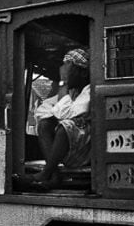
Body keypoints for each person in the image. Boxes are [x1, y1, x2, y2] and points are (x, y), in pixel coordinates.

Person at [22, 47, 91, 190]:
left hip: (86, 147)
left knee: (65, 126)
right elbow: (42, 111)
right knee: (45, 124)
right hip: (72, 146)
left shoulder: (89, 90)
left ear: (82, 72)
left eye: (68, 68)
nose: (63, 71)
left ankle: (46, 173)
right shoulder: (71, 93)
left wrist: (63, 84)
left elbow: (70, 114)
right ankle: (53, 175)